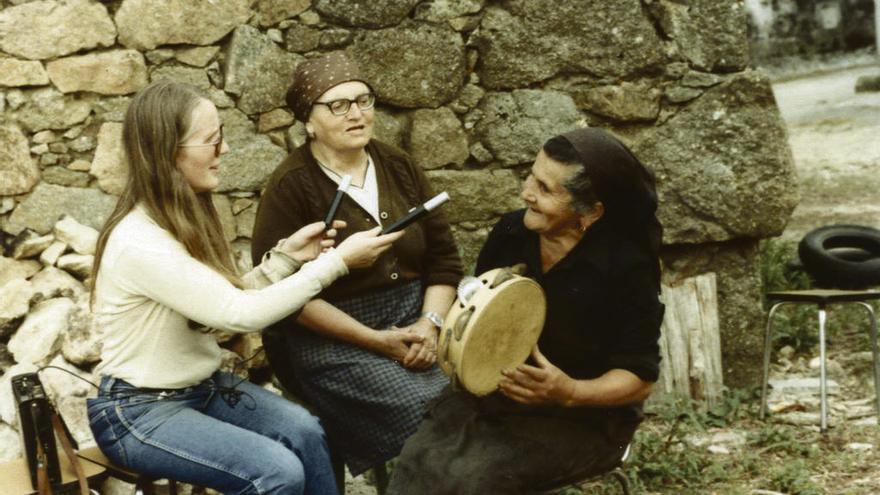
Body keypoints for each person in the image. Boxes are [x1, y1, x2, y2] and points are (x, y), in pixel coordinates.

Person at [86, 81, 402, 495]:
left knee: (306, 432)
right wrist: (336, 263)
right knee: (275, 472)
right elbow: (239, 314)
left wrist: (287, 259)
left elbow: (215, 303)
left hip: (199, 390)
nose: (225, 151)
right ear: (168, 152)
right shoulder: (140, 241)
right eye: (212, 142)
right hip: (139, 411)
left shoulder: (177, 219)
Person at [386, 127, 665, 494]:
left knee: (473, 480)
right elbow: (479, 311)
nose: (526, 193)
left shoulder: (626, 266)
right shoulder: (512, 232)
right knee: (417, 461)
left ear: (591, 212)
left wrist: (569, 391)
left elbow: (639, 378)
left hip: (583, 419)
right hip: (496, 395)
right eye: (531, 176)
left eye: (546, 189)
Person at [250, 51, 463, 476]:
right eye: (338, 105)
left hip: (416, 319)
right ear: (308, 121)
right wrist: (377, 341)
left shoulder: (397, 166)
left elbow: (444, 260)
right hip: (335, 338)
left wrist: (429, 324)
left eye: (364, 100)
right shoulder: (293, 185)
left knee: (478, 389)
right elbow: (284, 299)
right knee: (430, 410)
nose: (357, 114)